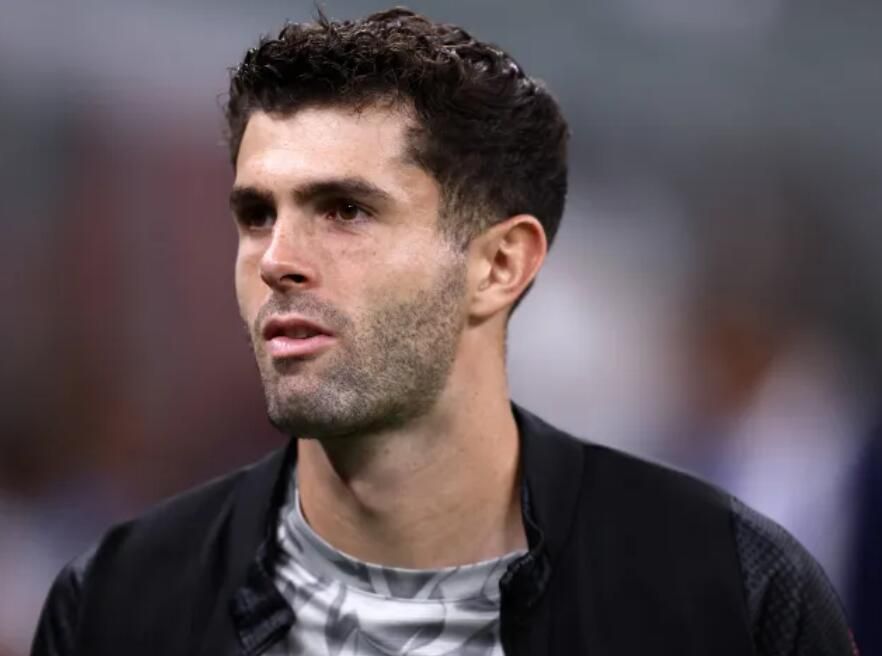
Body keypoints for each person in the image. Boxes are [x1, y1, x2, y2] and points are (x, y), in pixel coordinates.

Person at [32, 8, 857, 656]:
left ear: (499, 265)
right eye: (256, 215)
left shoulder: (730, 593)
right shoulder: (120, 603)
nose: (278, 260)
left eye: (345, 211)